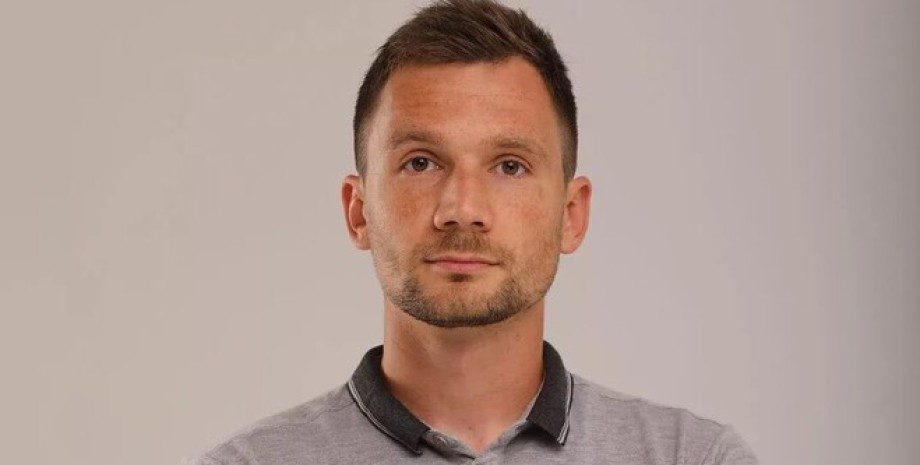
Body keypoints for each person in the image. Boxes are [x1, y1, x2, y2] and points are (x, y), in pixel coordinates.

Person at [185, 0, 758, 463]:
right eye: (420, 162)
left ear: (571, 214)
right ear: (358, 212)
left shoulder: (693, 457)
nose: (462, 208)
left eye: (509, 165)